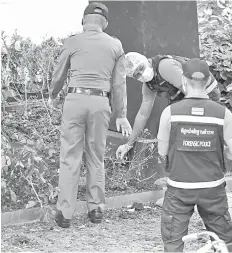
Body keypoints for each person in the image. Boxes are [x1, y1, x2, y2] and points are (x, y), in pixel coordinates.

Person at [49, 2, 132, 228]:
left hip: (75, 100)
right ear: (104, 23)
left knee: (70, 156)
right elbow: (119, 84)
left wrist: (53, 94)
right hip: (100, 102)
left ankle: (65, 213)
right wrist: (121, 114)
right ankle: (96, 210)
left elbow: (58, 75)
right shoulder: (115, 46)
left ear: (84, 21)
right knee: (96, 156)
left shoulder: (72, 41)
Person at [156, 58, 232, 252]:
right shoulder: (223, 114)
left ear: (183, 80)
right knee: (224, 242)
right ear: (208, 81)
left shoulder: (170, 112)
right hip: (213, 189)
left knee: (173, 241)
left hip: (179, 189)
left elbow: (162, 152)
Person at [116, 52, 221, 159]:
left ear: (145, 60)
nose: (142, 73)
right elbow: (143, 114)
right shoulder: (149, 85)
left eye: (141, 68)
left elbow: (192, 93)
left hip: (206, 92)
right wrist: (129, 144)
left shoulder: (164, 67)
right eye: (137, 74)